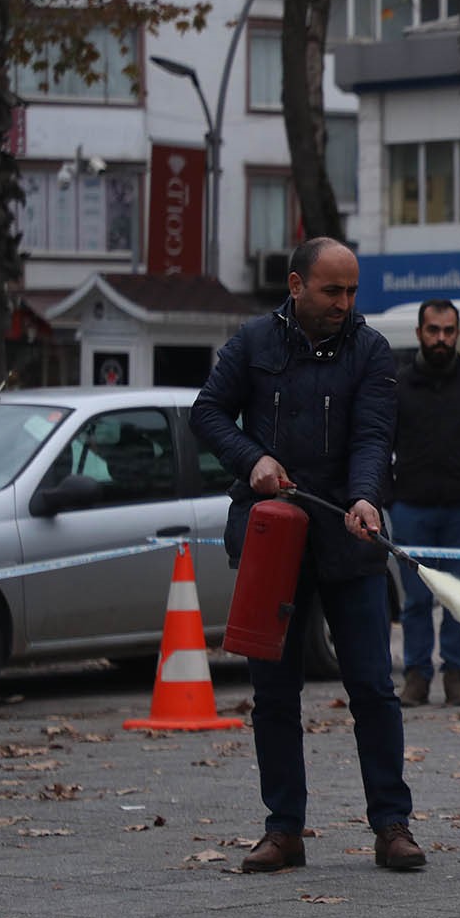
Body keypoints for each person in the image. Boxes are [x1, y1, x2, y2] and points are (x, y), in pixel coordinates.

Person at [190, 236, 425, 872]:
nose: (345, 304)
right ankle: (284, 830)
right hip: (272, 539)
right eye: (332, 291)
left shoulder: (371, 350)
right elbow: (207, 413)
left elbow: (374, 437)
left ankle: (392, 825)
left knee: (374, 687)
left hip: (350, 537)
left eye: (352, 292)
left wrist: (367, 498)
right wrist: (252, 459)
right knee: (274, 694)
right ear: (296, 286)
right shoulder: (252, 344)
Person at [391, 299, 460, 709]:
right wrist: (390, 498)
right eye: (434, 330)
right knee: (416, 600)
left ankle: (457, 675)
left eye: (449, 331)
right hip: (411, 509)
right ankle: (416, 677)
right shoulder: (398, 385)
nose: (441, 338)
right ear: (420, 332)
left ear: (457, 334)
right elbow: (379, 444)